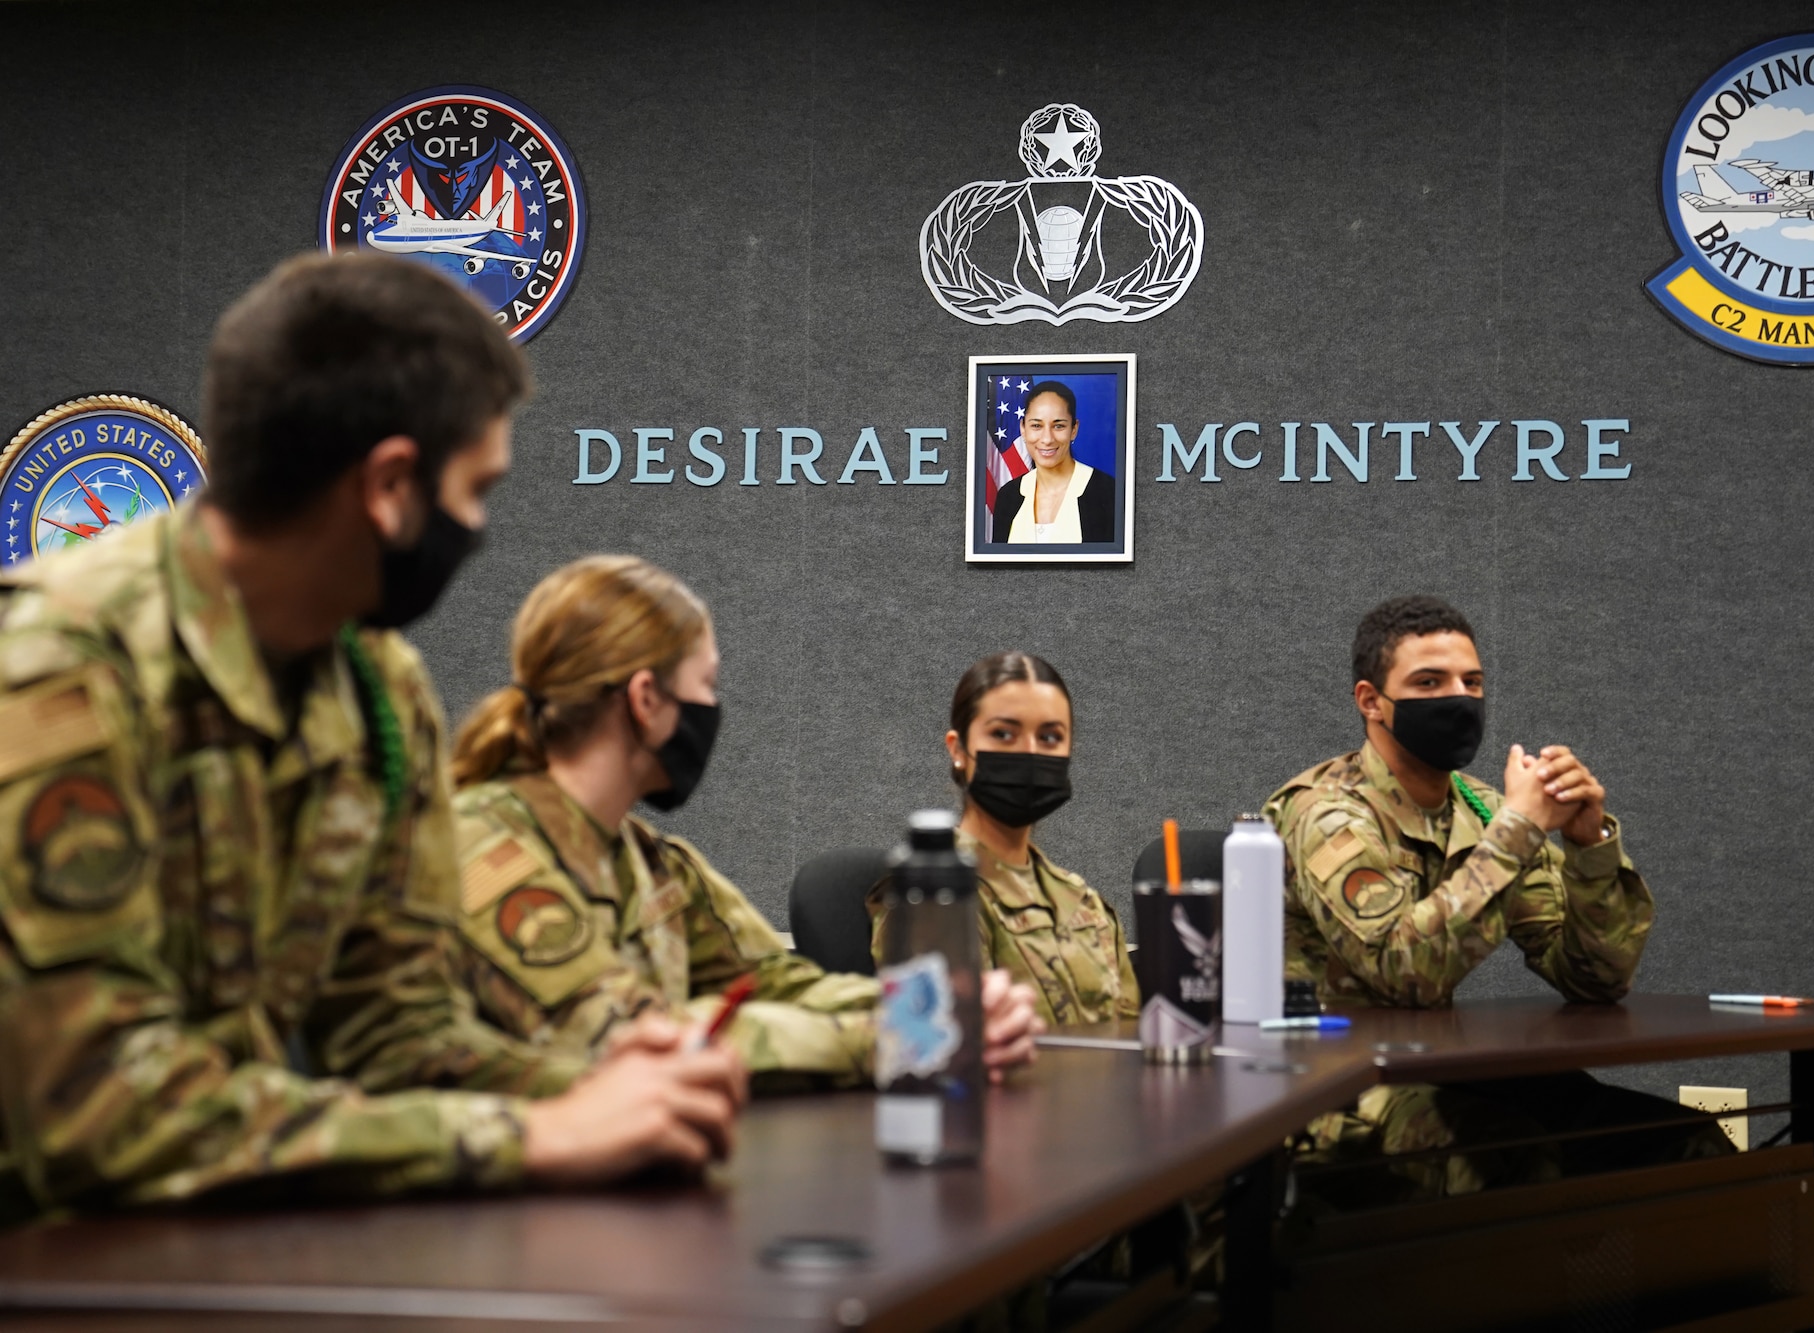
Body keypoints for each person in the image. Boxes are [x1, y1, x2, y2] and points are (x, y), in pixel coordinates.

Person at [0, 254, 744, 1226]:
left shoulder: (378, 687)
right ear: (392, 484)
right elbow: (96, 1112)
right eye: (476, 489)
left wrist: (587, 1082)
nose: (476, 528)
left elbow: (397, 1031)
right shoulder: (65, 665)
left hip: (227, 1238)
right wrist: (533, 1134)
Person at [448, 556, 1042, 1088]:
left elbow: (774, 983)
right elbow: (624, 1040)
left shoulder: (653, 861)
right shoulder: (485, 848)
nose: (714, 708)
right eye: (705, 685)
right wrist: (912, 1039)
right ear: (645, 700)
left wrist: (940, 1008)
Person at [1265, 595, 1730, 1215]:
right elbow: (1402, 973)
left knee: (1681, 1141)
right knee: (1515, 1162)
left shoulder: (1481, 808)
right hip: (1321, 1089)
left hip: (1435, 1070)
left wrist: (1587, 842)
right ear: (1371, 701)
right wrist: (1517, 828)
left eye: (1472, 681)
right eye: (1429, 682)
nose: (1458, 697)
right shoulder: (1326, 814)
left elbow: (1594, 977)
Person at [871, 651, 1137, 1027]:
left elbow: (1131, 1036)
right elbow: (948, 1042)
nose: (1029, 752)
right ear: (958, 749)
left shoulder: (1085, 902)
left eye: (1049, 737)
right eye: (1003, 734)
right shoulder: (934, 897)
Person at [991, 382, 1115, 544]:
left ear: (1074, 429)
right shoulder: (1008, 496)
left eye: (1058, 426)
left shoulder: (1108, 492)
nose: (1047, 439)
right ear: (1023, 428)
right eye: (1036, 425)